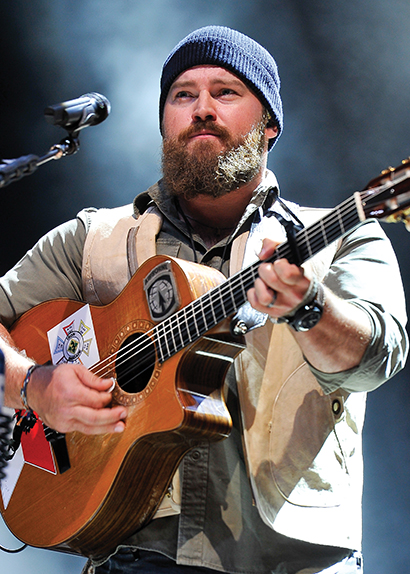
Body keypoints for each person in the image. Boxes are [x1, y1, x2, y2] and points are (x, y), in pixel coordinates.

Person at [0, 25, 407, 574]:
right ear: (165, 123)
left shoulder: (338, 238)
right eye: (183, 95)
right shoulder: (90, 240)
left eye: (226, 92)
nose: (202, 108)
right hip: (132, 554)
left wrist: (308, 306)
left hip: (293, 560)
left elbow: (373, 361)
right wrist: (33, 384)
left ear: (270, 128)